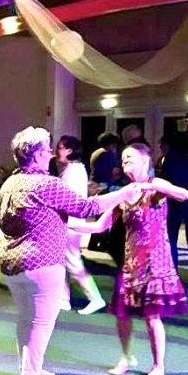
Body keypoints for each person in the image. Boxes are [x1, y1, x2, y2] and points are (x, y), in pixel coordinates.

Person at [0, 127, 137, 375]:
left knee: (25, 319)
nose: (51, 152)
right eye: (46, 148)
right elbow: (86, 207)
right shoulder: (46, 184)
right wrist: (123, 194)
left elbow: (10, 220)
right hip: (42, 262)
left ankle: (30, 368)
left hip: (11, 262)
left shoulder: (10, 184)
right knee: (41, 322)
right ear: (36, 155)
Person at [71, 143, 188, 375]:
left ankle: (158, 366)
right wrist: (64, 224)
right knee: (122, 314)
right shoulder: (124, 194)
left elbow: (184, 195)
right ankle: (126, 358)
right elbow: (99, 226)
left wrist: (152, 186)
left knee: (152, 317)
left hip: (155, 263)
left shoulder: (155, 186)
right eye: (123, 157)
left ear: (145, 161)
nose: (124, 160)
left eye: (130, 157)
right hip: (131, 263)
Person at [55, 135, 106, 315]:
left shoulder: (73, 171)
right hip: (70, 222)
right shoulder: (74, 169)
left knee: (72, 262)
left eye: (60, 148)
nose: (56, 151)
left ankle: (95, 298)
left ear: (69, 150)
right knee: (63, 261)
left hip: (70, 224)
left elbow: (68, 200)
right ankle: (64, 298)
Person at [160, 133, 188, 283]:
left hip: (175, 202)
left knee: (172, 239)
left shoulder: (169, 161)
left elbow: (165, 182)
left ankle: (174, 272)